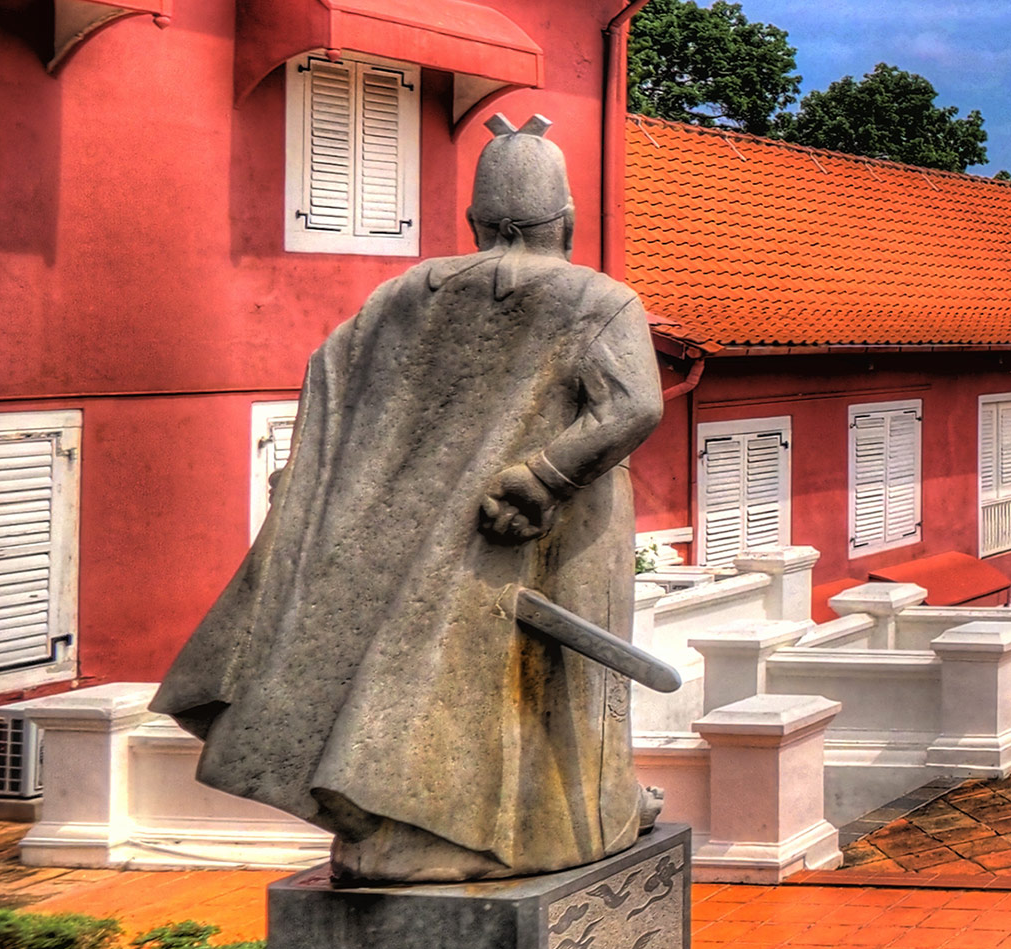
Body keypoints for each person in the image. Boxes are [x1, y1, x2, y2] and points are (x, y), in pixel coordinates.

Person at [157, 112, 662, 882]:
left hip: (402, 528)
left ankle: (395, 826)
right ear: (564, 221)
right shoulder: (597, 300)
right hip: (546, 532)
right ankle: (570, 824)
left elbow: (328, 389)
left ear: (475, 220)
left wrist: (318, 496)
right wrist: (544, 477)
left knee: (410, 677)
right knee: (549, 680)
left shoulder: (395, 297)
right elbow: (633, 407)